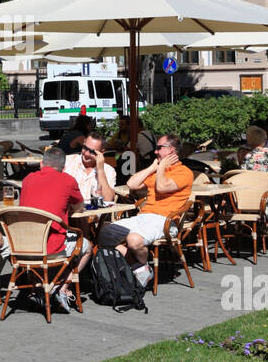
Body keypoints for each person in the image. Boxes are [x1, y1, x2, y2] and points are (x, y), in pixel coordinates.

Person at [98, 132, 194, 287]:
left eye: (159, 148)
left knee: (134, 240)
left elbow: (162, 187)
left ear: (172, 150)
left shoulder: (184, 172)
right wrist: (152, 167)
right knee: (105, 234)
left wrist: (161, 166)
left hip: (165, 221)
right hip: (144, 217)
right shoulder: (156, 171)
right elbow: (132, 184)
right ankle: (140, 267)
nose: (155, 151)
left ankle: (138, 268)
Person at [15, 147, 84, 313]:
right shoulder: (68, 180)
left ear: (41, 164)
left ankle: (37, 287)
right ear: (63, 167)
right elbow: (80, 208)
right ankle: (61, 287)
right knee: (86, 245)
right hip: (50, 248)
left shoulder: (28, 179)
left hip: (22, 246)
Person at [63, 130, 116, 203]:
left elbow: (108, 199)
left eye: (92, 152)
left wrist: (100, 170)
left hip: (93, 213)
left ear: (101, 152)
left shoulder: (108, 170)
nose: (87, 154)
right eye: (85, 148)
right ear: (83, 143)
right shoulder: (67, 162)